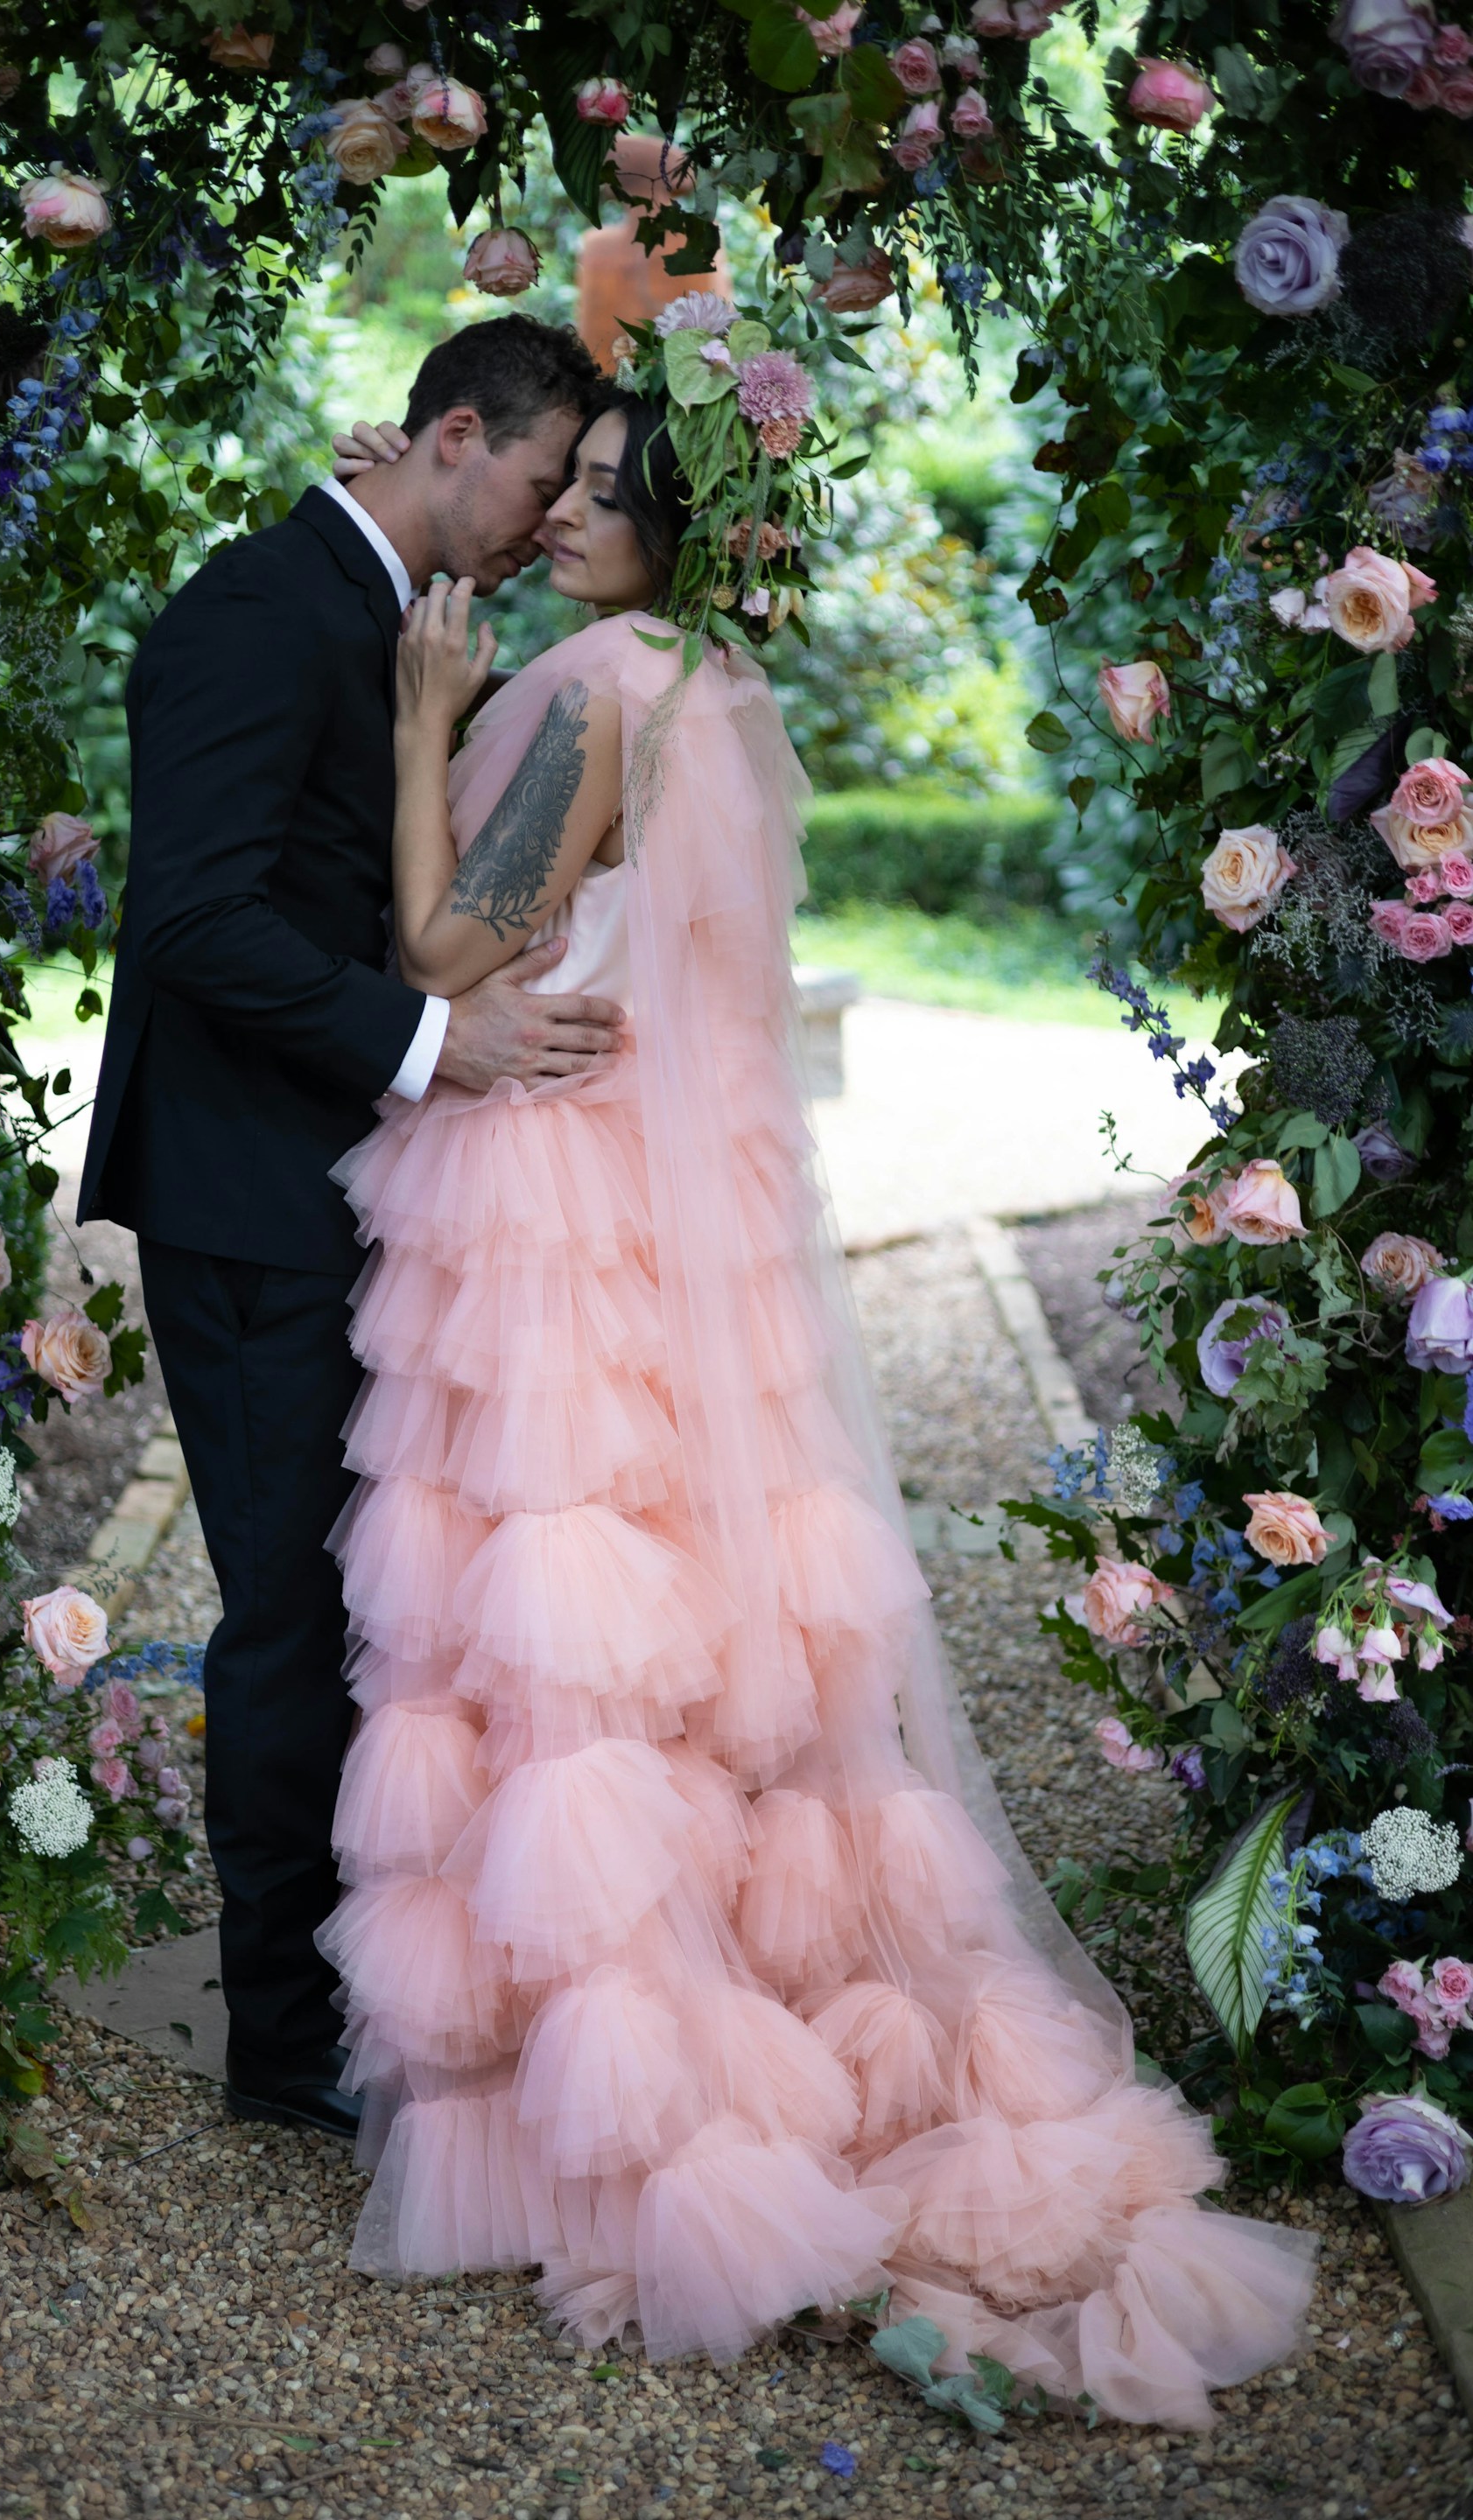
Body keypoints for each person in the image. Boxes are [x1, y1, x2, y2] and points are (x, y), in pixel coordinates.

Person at [316, 382, 1318, 2420]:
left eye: (613, 495)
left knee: (558, 1633)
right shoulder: (726, 685)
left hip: (556, 1201)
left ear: (684, 525)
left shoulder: (593, 683)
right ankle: (752, 2016)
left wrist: (429, 715)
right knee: (688, 1610)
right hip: (704, 1228)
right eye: (570, 485)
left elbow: (441, 942)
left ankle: (616, 2088)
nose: (573, 518)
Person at [79, 316, 623, 2137]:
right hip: (243, 1193)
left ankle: (340, 1997)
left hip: (330, 1180)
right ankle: (278, 2044)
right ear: (456, 431)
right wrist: (430, 1038)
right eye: (541, 482)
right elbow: (194, 924)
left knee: (342, 1601)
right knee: (289, 1616)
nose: (540, 525)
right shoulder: (259, 606)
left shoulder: (390, 621)